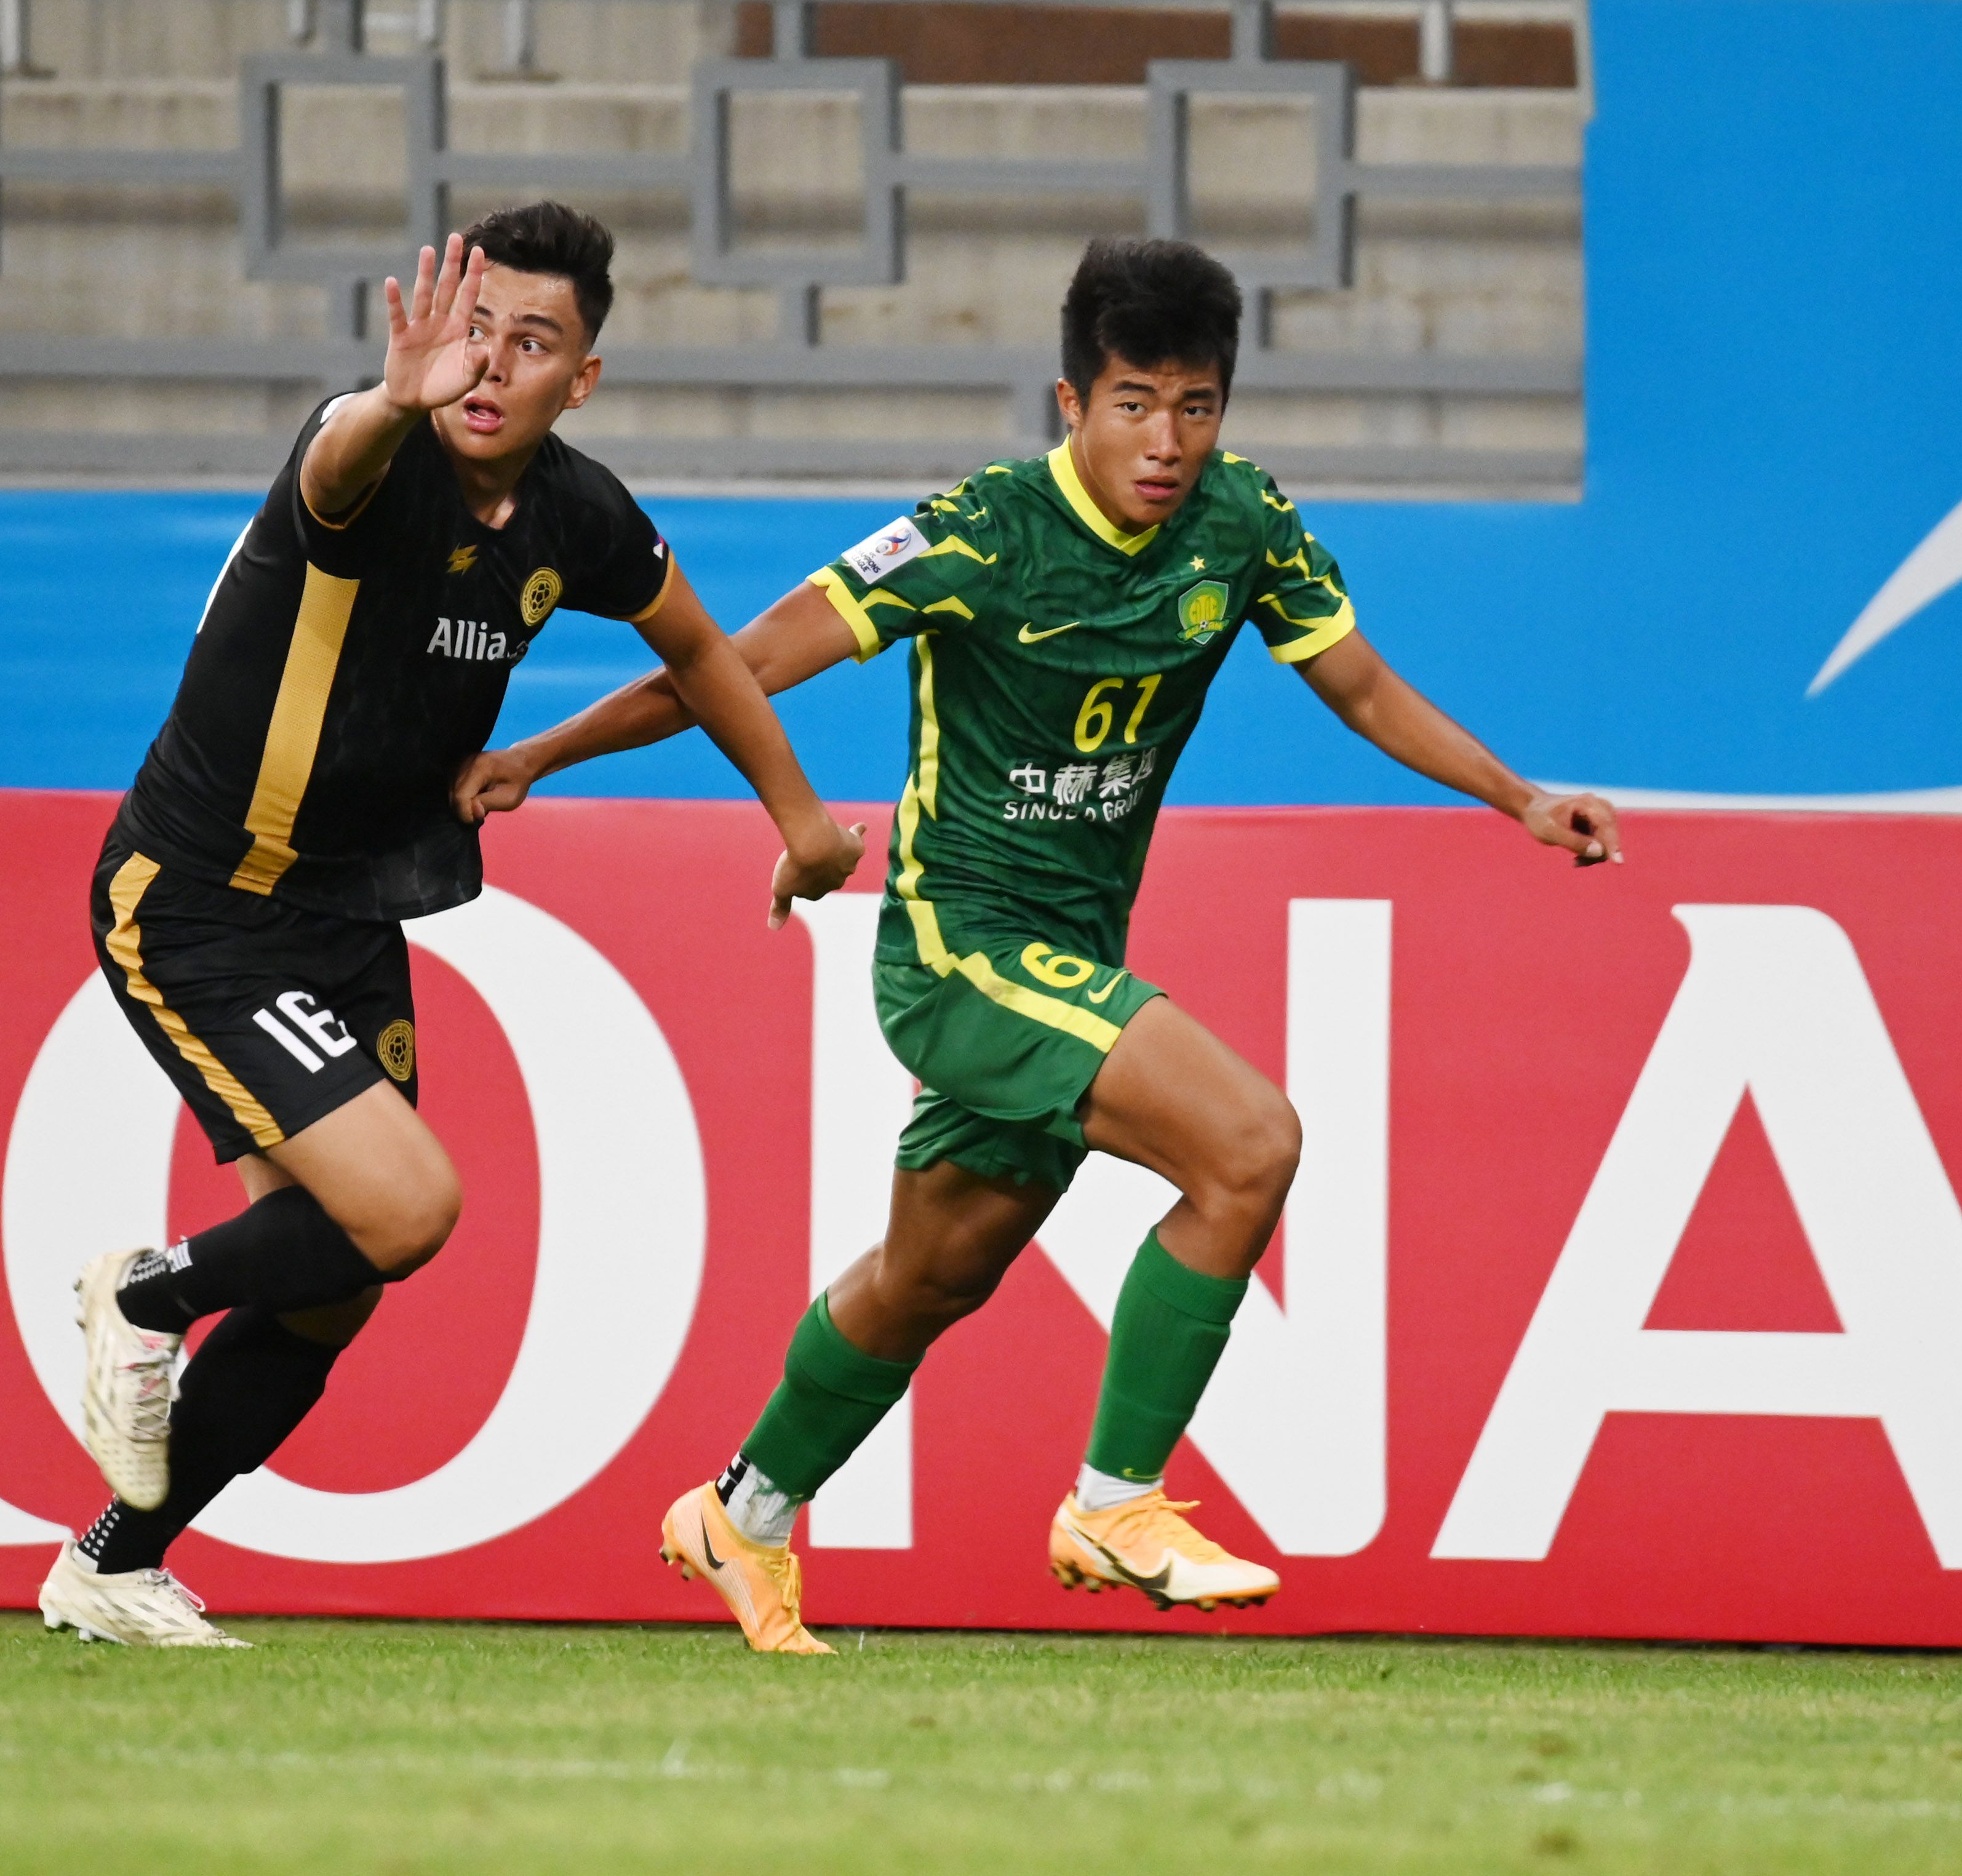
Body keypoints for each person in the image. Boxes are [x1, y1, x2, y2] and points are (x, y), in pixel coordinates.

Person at [454, 237, 1623, 1654]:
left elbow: (1362, 685)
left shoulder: (1245, 523)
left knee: (930, 1275)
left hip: (1073, 959)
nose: (1166, 442)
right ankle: (1116, 1502)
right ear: (1072, 403)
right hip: (961, 951)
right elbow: (737, 661)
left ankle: (739, 1514)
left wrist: (1518, 795)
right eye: (1134, 404)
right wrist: (542, 754)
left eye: (1196, 407)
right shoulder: (979, 534)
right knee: (1250, 1142)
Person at [41, 202, 866, 1648]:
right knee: (409, 1207)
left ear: (581, 380)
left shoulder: (578, 514)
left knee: (335, 1283)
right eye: (474, 329)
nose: (489, 365)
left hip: (350, 907)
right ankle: (145, 1294)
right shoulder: (369, 455)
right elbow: (336, 452)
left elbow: (700, 651)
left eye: (531, 342)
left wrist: (797, 815)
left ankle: (113, 1563)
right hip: (202, 899)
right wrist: (385, 397)